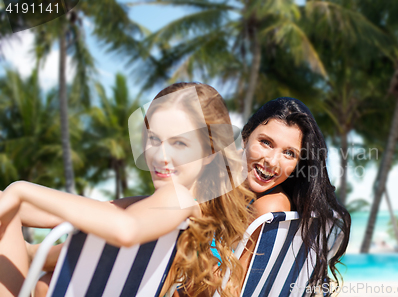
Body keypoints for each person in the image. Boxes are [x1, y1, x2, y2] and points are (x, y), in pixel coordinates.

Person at [0, 82, 253, 297]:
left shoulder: (177, 198)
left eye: (179, 143)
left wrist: (20, 190)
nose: (160, 156)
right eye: (154, 139)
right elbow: (70, 213)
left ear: (210, 153)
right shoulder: (192, 208)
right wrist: (15, 207)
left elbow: (126, 229)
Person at [240, 97, 351, 289]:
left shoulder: (270, 208)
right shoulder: (236, 195)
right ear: (245, 137)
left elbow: (233, 290)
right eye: (266, 142)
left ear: (299, 164)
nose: (272, 161)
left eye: (289, 153)